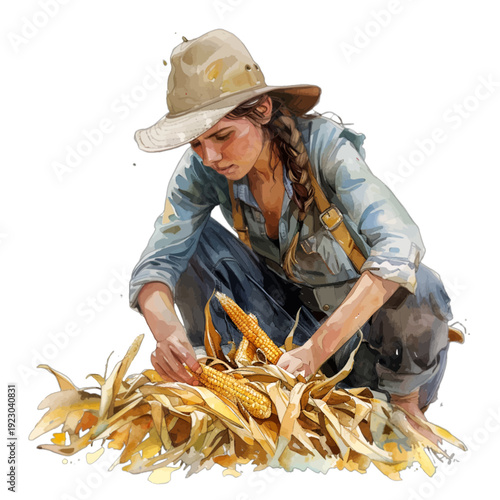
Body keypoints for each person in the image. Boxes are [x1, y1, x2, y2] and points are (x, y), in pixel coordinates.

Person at [129, 29, 456, 426]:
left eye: (222, 135)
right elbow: (161, 258)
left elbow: (399, 241)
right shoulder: (203, 169)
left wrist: (315, 351)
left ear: (263, 111)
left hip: (365, 348)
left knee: (420, 283)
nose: (210, 156)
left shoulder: (326, 148)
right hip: (282, 344)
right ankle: (218, 375)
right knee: (192, 246)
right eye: (196, 144)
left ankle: (404, 409)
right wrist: (167, 333)